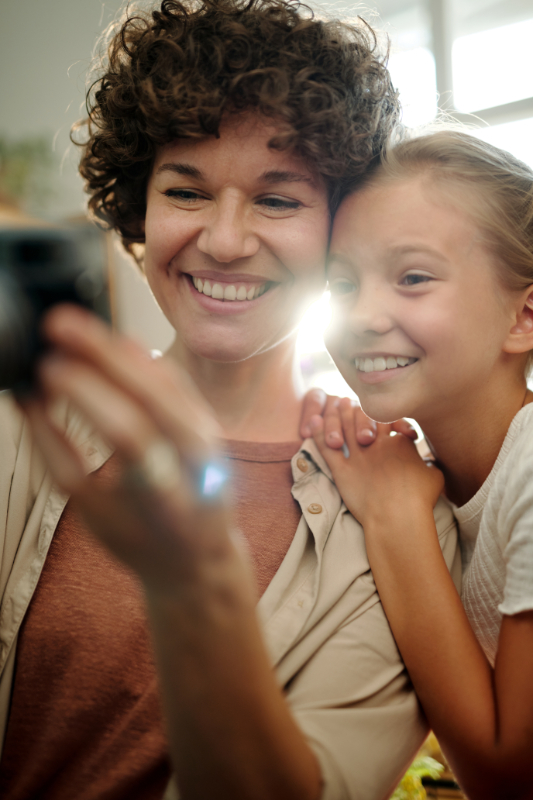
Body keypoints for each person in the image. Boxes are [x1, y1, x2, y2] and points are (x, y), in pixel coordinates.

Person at [0, 2, 459, 798]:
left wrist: (195, 579)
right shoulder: (19, 428)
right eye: (186, 191)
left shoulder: (395, 523)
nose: (223, 240)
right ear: (137, 205)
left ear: (337, 232)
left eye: (278, 200)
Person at [310, 130, 533, 800]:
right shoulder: (426, 465)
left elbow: (508, 778)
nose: (360, 316)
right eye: (341, 282)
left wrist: (395, 517)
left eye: (411, 277)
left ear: (524, 314)